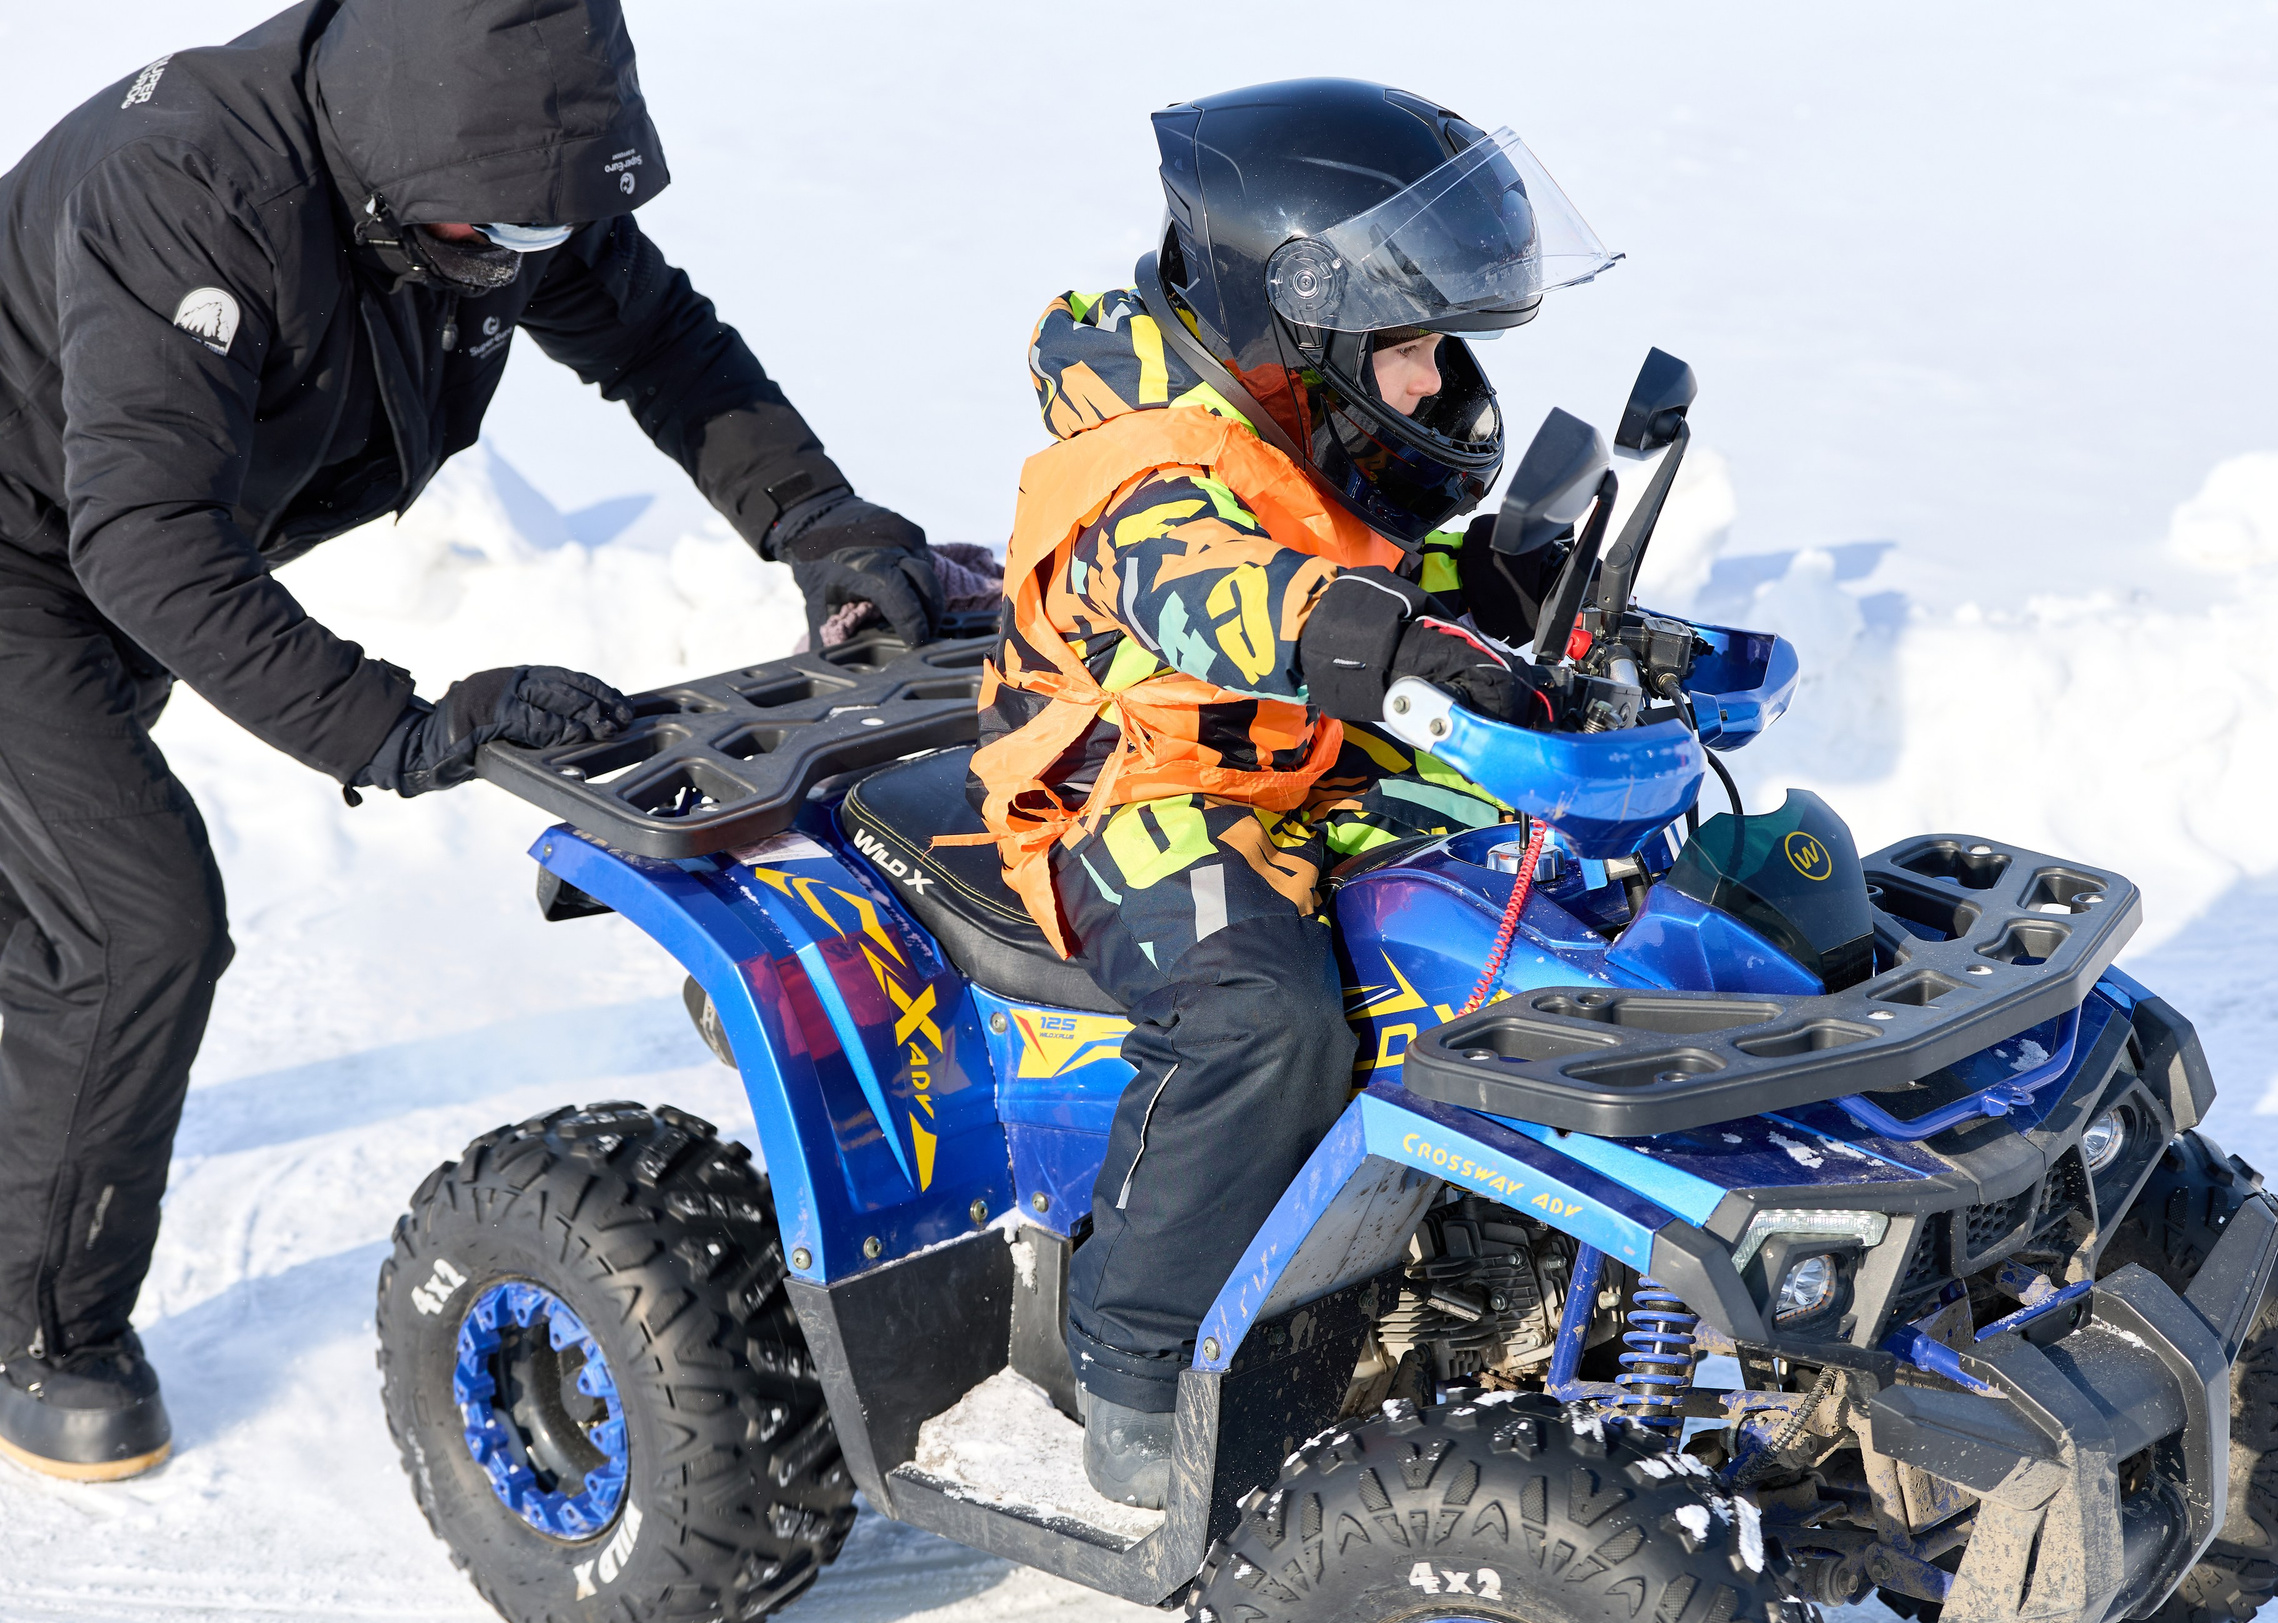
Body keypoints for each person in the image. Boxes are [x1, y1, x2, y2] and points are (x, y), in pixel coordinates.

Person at [0, 0, 931, 1482]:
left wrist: (818, 523)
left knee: (43, 880)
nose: (521, 256)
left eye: (547, 224)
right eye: (492, 224)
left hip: (96, 533)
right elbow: (151, 548)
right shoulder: (193, 191)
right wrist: (410, 729)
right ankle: (38, 1334)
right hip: (41, 552)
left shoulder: (478, 180)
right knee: (129, 925)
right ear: (388, 158)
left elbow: (662, 343)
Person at [967, 78, 1618, 1505]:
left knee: (1541, 914)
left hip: (1294, 758)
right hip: (1133, 786)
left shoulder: (1276, 418)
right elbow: (1227, 598)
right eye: (1413, 348)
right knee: (1265, 1019)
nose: (1437, 383)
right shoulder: (1139, 465)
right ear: (1296, 319)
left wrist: (1495, 589)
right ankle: (1129, 1362)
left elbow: (1355, 567)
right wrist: (1395, 639)